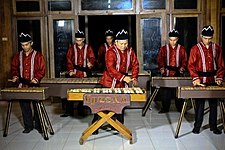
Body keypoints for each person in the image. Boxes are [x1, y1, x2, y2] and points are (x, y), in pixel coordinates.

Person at [91, 29, 139, 134]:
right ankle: (95, 126)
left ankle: (117, 125)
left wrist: (134, 77)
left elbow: (135, 64)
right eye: (121, 43)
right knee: (102, 105)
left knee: (120, 104)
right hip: (108, 82)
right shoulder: (110, 52)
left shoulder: (130, 51)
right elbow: (110, 69)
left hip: (122, 83)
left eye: (126, 43)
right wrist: (123, 77)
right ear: (116, 42)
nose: (123, 46)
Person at [188, 25, 225, 134]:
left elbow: (221, 65)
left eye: (209, 38)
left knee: (214, 104)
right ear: (201, 36)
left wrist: (219, 77)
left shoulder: (217, 48)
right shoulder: (195, 48)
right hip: (200, 80)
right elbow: (191, 65)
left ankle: (213, 126)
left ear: (212, 37)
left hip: (213, 79)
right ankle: (197, 126)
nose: (207, 40)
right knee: (200, 104)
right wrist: (195, 78)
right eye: (205, 38)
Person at [11, 33, 46, 134]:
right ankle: (28, 126)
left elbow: (42, 69)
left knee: (37, 106)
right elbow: (14, 68)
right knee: (24, 106)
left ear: (31, 43)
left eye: (26, 44)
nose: (24, 47)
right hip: (22, 84)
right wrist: (15, 76)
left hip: (34, 84)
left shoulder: (38, 55)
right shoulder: (18, 55)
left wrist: (37, 78)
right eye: (22, 45)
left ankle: (39, 126)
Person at [61, 30, 96, 117]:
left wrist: (90, 63)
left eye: (80, 40)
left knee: (83, 91)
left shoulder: (88, 48)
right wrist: (70, 70)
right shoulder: (72, 48)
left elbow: (92, 58)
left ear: (83, 39)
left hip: (84, 72)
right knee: (70, 90)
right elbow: (68, 59)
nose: (78, 42)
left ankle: (81, 110)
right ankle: (69, 111)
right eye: (77, 40)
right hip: (75, 72)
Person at [157, 29, 187, 113]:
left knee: (178, 91)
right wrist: (162, 68)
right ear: (168, 39)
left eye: (174, 40)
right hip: (167, 72)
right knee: (165, 92)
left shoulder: (182, 49)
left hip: (177, 72)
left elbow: (184, 60)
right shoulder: (164, 49)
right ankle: (165, 108)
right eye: (170, 40)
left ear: (177, 39)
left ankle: (180, 108)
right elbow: (160, 59)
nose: (172, 42)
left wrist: (182, 68)